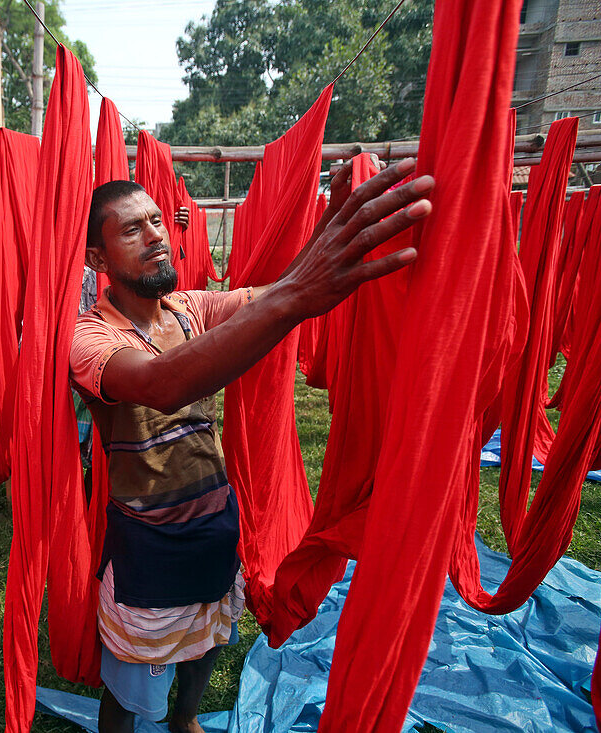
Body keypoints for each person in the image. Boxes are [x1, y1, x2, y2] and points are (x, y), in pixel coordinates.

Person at [69, 157, 433, 733]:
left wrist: (329, 230)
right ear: (98, 259)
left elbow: (276, 294)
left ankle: (185, 719)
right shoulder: (90, 337)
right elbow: (163, 385)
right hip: (148, 541)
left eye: (157, 221)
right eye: (132, 229)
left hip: (214, 522)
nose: (156, 236)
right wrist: (292, 298)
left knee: (210, 636)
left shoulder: (189, 308)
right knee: (132, 679)